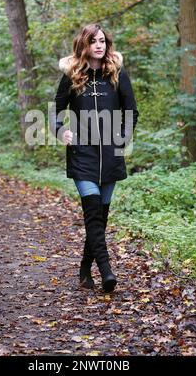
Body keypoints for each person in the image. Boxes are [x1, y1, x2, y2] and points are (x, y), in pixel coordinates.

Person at [50, 23, 139, 292]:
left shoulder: (117, 74)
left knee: (100, 217)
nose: (99, 45)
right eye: (93, 41)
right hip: (82, 154)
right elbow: (55, 111)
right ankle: (106, 271)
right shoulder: (72, 75)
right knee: (92, 213)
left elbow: (131, 110)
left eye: (102, 41)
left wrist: (124, 134)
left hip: (111, 154)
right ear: (84, 45)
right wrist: (60, 131)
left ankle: (84, 268)